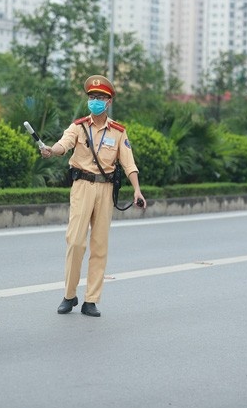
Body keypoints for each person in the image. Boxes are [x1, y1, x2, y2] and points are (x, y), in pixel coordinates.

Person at [40, 75, 146, 317]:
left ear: (108, 102)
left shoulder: (118, 132)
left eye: (99, 98)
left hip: (106, 189)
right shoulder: (78, 127)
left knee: (99, 245)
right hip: (82, 186)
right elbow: (62, 145)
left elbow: (129, 164)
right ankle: (69, 295)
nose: (94, 101)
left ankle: (91, 300)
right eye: (91, 97)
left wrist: (137, 190)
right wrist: (50, 151)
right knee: (75, 242)